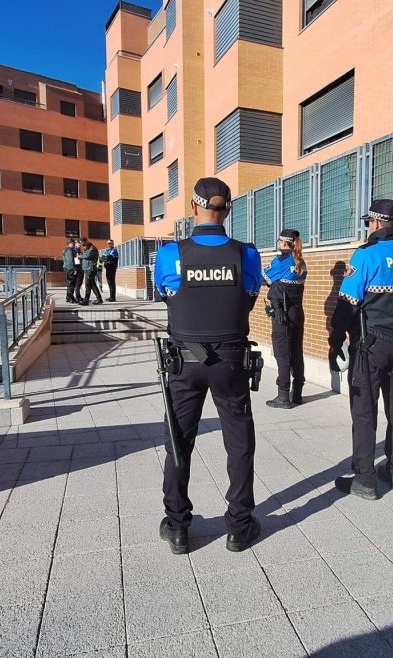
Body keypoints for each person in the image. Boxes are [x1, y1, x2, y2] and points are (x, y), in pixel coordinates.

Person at [154, 177, 263, 554]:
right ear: (227, 210)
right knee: (239, 442)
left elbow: (165, 294)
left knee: (178, 442)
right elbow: (249, 296)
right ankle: (239, 526)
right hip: (231, 362)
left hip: (184, 362)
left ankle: (178, 527)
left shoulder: (171, 253)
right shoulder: (247, 254)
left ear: (193, 207)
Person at [328, 199, 393, 499]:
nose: (368, 227)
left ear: (377, 222)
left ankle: (365, 480)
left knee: (364, 413)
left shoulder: (366, 255)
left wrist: (335, 341)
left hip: (369, 347)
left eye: (368, 222)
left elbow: (346, 305)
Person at [263, 229, 308, 409]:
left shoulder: (281, 260)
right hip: (298, 312)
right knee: (296, 352)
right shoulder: (301, 261)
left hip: (282, 314)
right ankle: (297, 394)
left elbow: (264, 278)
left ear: (283, 242)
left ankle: (283, 397)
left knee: (282, 354)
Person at [62, 239, 81, 304]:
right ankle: (70, 298)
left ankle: (68, 297)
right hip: (70, 268)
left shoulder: (67, 249)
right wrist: (74, 269)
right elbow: (71, 260)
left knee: (70, 284)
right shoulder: (69, 250)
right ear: (70, 243)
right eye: (73, 243)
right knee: (71, 284)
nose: (74, 245)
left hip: (68, 268)